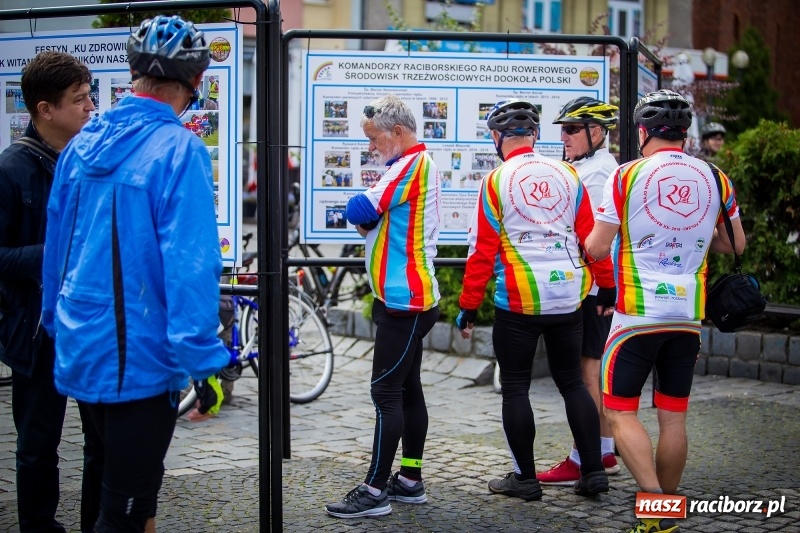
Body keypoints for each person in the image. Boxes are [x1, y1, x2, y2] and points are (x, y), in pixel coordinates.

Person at [41, 15, 229, 532]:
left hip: (82, 344)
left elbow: (56, 249)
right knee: (123, 510)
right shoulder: (179, 149)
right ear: (195, 83)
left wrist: (55, 323)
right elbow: (191, 265)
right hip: (139, 358)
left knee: (122, 490)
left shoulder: (80, 145)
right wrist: (204, 364)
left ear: (133, 75)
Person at [584, 90, 746, 533]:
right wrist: (695, 235)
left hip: (636, 315)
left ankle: (655, 507)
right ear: (684, 134)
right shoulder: (715, 177)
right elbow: (736, 244)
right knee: (673, 417)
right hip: (687, 316)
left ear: (642, 132)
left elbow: (597, 245)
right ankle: (664, 516)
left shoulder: (626, 174)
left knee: (619, 412)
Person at [455, 99, 617, 502]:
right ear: (536, 135)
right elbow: (590, 238)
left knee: (515, 388)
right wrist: (607, 286)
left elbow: (481, 252)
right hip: (568, 296)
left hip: (519, 299)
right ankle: (594, 471)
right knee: (573, 383)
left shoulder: (495, 180)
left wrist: (469, 306)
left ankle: (524, 479)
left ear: (497, 137)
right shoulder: (567, 173)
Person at [325, 95, 441, 518]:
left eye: (374, 138)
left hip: (404, 301)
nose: (371, 146)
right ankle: (409, 480)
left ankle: (374, 490)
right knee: (407, 389)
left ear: (397, 132)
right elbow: (368, 216)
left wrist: (366, 214)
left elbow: (359, 209)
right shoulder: (407, 165)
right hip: (405, 298)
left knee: (385, 392)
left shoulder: (411, 164)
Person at [0, 51, 96, 533]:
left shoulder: (92, 159)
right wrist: (55, 253)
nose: (90, 107)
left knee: (102, 441)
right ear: (45, 109)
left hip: (92, 326)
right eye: (79, 99)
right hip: (38, 332)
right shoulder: (11, 169)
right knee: (37, 445)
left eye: (89, 96)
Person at [538, 96, 622, 485]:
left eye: (572, 129)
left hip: (592, 286)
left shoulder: (599, 172)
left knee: (586, 374)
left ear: (597, 132)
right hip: (591, 283)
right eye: (563, 130)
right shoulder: (587, 167)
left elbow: (591, 236)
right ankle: (602, 451)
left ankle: (583, 457)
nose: (564, 137)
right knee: (589, 371)